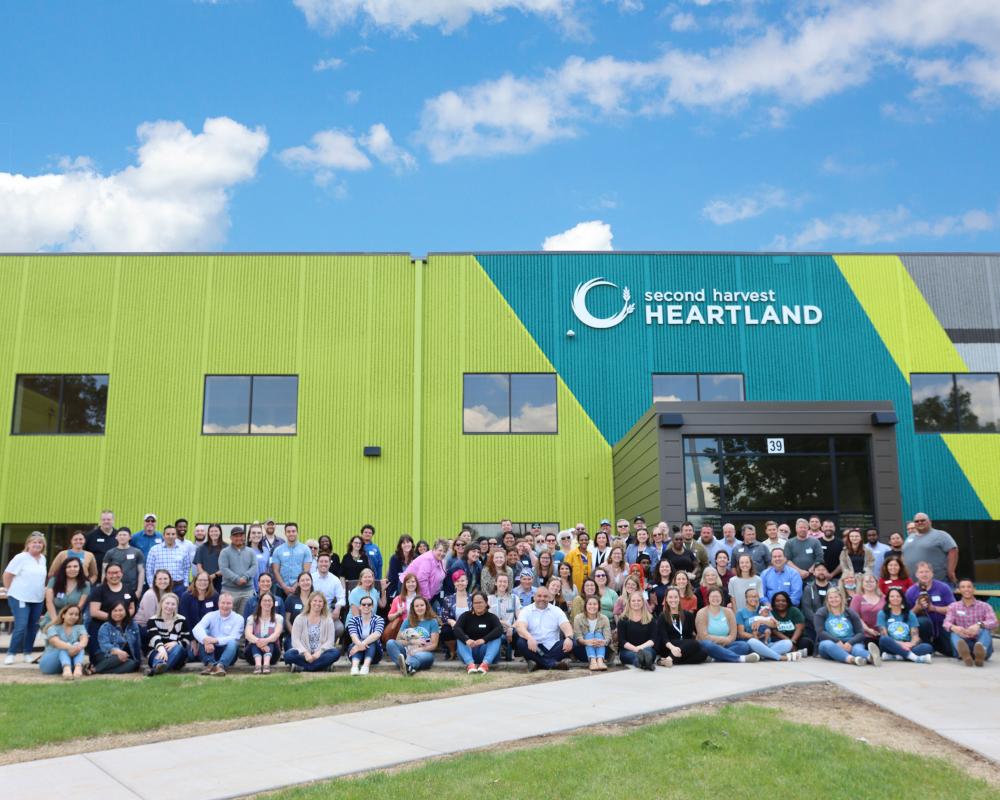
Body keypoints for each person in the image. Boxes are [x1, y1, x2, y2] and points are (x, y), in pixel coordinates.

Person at [815, 587, 879, 666]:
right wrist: (837, 641)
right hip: (832, 644)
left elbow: (860, 633)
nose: (833, 600)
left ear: (841, 598)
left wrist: (850, 643)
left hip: (851, 642)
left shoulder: (850, 612)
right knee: (827, 644)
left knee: (857, 649)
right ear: (827, 600)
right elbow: (820, 632)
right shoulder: (822, 612)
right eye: (831, 598)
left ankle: (870, 657)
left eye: (836, 597)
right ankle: (852, 659)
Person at [515, 585, 574, 671]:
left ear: (549, 598)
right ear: (534, 597)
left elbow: (566, 626)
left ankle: (538, 662)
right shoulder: (526, 610)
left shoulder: (556, 610)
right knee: (521, 642)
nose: (542, 598)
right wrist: (530, 638)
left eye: (545, 596)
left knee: (573, 642)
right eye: (539, 596)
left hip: (553, 647)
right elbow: (520, 627)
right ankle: (552, 664)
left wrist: (568, 638)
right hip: (535, 647)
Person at [735, 589, 804, 661]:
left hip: (766, 643)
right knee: (752, 642)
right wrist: (757, 636)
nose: (754, 599)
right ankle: (779, 657)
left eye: (756, 597)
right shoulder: (741, 612)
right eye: (751, 597)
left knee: (788, 643)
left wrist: (761, 621)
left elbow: (776, 625)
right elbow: (741, 633)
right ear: (746, 598)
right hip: (753, 644)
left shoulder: (763, 610)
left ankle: (762, 655)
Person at [695, 588, 759, 663]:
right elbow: (704, 637)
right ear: (708, 598)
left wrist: (726, 642)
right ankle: (739, 658)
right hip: (709, 645)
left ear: (722, 598)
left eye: (718, 596)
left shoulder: (728, 612)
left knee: (744, 645)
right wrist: (725, 640)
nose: (715, 599)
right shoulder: (702, 613)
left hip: (726, 644)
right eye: (712, 596)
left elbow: (733, 635)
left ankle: (715, 658)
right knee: (707, 644)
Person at [905, 562, 955, 656]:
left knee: (950, 651)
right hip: (921, 629)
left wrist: (933, 608)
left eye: (927, 571)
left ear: (932, 573)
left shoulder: (943, 587)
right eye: (921, 572)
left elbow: (953, 609)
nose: (924, 574)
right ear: (916, 574)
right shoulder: (910, 591)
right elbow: (905, 616)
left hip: (942, 625)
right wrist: (917, 608)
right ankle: (926, 644)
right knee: (923, 621)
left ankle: (936, 645)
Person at [944, 579, 997, 666]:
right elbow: (946, 623)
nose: (966, 589)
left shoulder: (985, 606)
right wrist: (954, 627)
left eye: (969, 587)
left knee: (985, 630)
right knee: (954, 632)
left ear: (974, 589)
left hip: (980, 640)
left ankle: (980, 652)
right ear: (959, 590)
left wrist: (979, 625)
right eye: (963, 587)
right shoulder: (953, 606)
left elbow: (994, 621)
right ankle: (965, 654)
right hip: (963, 640)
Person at [285, 591, 342, 673]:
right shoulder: (300, 618)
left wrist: (318, 653)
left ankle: (303, 667)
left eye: (320, 601)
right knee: (288, 656)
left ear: (323, 604)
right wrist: (306, 653)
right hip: (303, 654)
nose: (317, 603)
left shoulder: (328, 620)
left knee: (335, 653)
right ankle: (322, 666)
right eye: (315, 601)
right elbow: (295, 640)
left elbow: (330, 641)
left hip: (320, 654)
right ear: (310, 602)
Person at [192, 593, 244, 676]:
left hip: (229, 653)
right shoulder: (210, 615)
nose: (225, 606)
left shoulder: (238, 618)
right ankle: (211, 664)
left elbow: (234, 636)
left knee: (233, 642)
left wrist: (215, 640)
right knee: (204, 631)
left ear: (232, 605)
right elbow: (196, 629)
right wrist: (206, 640)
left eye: (228, 603)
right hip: (211, 650)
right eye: (223, 603)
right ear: (218, 603)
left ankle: (220, 666)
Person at [388, 595, 441, 675]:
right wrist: (412, 642)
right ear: (413, 608)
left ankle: (407, 666)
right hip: (407, 650)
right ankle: (407, 666)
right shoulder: (407, 620)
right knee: (390, 643)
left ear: (426, 606)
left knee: (424, 657)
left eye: (422, 605)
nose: (419, 608)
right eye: (417, 606)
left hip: (423, 652)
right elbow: (398, 640)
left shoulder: (433, 622)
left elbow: (434, 644)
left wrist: (418, 650)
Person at [877, 587, 933, 664]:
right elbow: (884, 635)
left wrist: (911, 644)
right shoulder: (882, 614)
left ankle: (896, 657)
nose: (895, 598)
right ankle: (915, 658)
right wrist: (901, 644)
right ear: (888, 599)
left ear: (902, 598)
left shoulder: (910, 614)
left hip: (908, 646)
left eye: (898, 596)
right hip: (891, 645)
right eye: (892, 596)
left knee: (927, 647)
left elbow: (915, 635)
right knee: (883, 640)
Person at [655, 587, 707, 666]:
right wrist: (673, 648)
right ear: (666, 599)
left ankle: (667, 660)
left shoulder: (688, 615)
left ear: (679, 599)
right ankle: (670, 658)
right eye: (670, 597)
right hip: (668, 646)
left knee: (703, 654)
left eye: (676, 597)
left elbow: (690, 635)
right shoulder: (662, 616)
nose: (673, 600)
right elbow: (663, 638)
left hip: (684, 646)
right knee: (694, 643)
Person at [903, 513, 958, 585]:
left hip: (938, 582)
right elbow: (904, 554)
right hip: (914, 584)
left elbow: (953, 550)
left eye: (923, 520)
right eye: (917, 521)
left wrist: (950, 571)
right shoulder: (910, 537)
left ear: (930, 522)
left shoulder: (941, 535)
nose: (920, 522)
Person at [40, 556, 90, 632]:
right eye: (68, 567)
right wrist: (56, 621)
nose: (72, 569)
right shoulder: (54, 580)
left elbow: (80, 606)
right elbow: (49, 602)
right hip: (53, 617)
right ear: (64, 569)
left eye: (75, 566)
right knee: (54, 635)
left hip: (73, 619)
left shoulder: (85, 584)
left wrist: (67, 622)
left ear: (80, 568)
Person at [38, 605, 88, 678]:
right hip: (50, 663)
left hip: (69, 660)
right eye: (71, 614)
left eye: (76, 615)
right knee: (63, 647)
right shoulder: (53, 628)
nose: (74, 617)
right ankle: (66, 668)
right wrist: (70, 647)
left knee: (78, 644)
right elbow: (56, 642)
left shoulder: (80, 627)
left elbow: (84, 640)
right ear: (63, 615)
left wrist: (78, 647)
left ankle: (78, 668)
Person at [146, 592, 190, 675]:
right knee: (158, 654)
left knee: (178, 648)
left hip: (177, 654)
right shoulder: (152, 620)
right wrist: (162, 650)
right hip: (157, 651)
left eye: (173, 604)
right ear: (161, 604)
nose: (169, 606)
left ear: (176, 606)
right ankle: (158, 667)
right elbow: (155, 638)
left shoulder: (182, 620)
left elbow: (186, 640)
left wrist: (176, 643)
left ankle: (156, 669)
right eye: (167, 603)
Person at [94, 601, 142, 674]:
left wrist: (139, 660)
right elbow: (104, 646)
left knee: (132, 664)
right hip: (106, 655)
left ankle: (99, 670)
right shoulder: (105, 627)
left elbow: (137, 644)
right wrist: (118, 652)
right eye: (115, 611)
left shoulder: (133, 625)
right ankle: (95, 669)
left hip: (125, 658)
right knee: (118, 658)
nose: (117, 613)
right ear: (110, 612)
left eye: (120, 610)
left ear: (126, 611)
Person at [219, 526, 257, 614]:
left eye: (241, 535)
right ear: (231, 538)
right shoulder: (225, 552)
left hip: (247, 592)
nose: (239, 538)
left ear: (244, 537)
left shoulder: (251, 552)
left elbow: (254, 566)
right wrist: (237, 579)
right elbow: (224, 568)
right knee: (228, 617)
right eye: (236, 536)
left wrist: (245, 577)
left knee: (244, 618)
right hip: (229, 592)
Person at [244, 591, 283, 674]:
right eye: (265, 601)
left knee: (269, 637)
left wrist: (265, 641)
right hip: (252, 655)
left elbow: (276, 635)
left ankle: (266, 664)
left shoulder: (278, 618)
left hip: (273, 654)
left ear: (273, 603)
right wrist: (260, 642)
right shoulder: (252, 618)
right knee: (256, 637)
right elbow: (248, 635)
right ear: (260, 603)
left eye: (269, 601)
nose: (267, 603)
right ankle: (258, 665)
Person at [145, 525, 192, 593]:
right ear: (163, 536)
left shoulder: (183, 550)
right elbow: (149, 570)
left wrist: (185, 585)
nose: (170, 536)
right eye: (168, 534)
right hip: (160, 586)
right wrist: (151, 586)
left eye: (173, 534)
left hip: (178, 587)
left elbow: (186, 569)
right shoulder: (154, 550)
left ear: (176, 536)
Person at [271, 523, 312, 598]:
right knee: (280, 609)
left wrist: (296, 586)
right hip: (281, 589)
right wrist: (284, 586)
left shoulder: (305, 549)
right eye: (288, 531)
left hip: (300, 588)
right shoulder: (278, 550)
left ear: (297, 532)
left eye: (293, 531)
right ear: (285, 533)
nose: (291, 533)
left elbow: (306, 571)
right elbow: (275, 571)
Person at [346, 594, 384, 674]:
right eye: (363, 604)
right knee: (356, 642)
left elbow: (377, 634)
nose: (366, 606)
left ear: (372, 606)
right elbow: (353, 636)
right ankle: (354, 667)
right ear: (360, 606)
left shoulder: (379, 619)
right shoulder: (353, 620)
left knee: (372, 641)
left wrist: (361, 644)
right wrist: (360, 644)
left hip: (374, 655)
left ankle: (365, 667)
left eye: (369, 604)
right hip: (354, 653)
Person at [403, 538, 448, 604]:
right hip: (411, 590)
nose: (442, 553)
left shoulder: (440, 560)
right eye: (440, 550)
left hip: (433, 594)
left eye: (444, 551)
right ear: (434, 549)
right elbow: (422, 580)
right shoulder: (427, 559)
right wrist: (426, 598)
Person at [103, 527, 145, 596]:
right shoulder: (110, 553)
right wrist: (104, 589)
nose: (122, 537)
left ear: (130, 537)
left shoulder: (137, 552)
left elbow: (141, 571)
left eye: (124, 535)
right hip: (113, 588)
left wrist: (139, 590)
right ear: (116, 537)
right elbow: (104, 573)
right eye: (120, 535)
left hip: (132, 589)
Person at [441, 570, 473, 660]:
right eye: (457, 581)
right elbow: (444, 617)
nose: (460, 583)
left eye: (462, 580)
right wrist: (451, 621)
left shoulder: (473, 598)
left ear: (467, 582)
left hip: (470, 627)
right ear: (454, 583)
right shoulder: (448, 599)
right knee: (445, 630)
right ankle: (452, 651)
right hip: (454, 627)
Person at [488, 573, 520, 661]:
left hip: (511, 631)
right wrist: (504, 623)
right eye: (500, 581)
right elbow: (488, 618)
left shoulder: (514, 598)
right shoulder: (489, 599)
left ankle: (512, 651)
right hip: (494, 630)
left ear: (508, 583)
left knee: (519, 631)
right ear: (495, 583)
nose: (502, 584)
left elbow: (520, 618)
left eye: (505, 582)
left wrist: (511, 627)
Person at [574, 595, 612, 671]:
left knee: (598, 634)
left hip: (602, 649)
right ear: (585, 606)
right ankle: (593, 661)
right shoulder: (578, 618)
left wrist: (604, 642)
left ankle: (600, 661)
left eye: (595, 604)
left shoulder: (604, 618)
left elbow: (608, 637)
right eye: (590, 604)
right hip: (583, 650)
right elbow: (578, 638)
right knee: (589, 634)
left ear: (599, 606)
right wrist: (587, 642)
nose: (592, 606)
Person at [770, 591, 813, 656]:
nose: (780, 603)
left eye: (783, 601)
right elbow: (774, 631)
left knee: (805, 643)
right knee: (773, 641)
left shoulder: (794, 610)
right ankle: (795, 652)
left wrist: (792, 641)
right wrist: (789, 642)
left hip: (796, 638)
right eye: (777, 601)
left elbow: (799, 629)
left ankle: (791, 651)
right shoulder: (771, 613)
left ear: (787, 602)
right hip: (781, 638)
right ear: (774, 602)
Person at [311, 554, 346, 632]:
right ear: (317, 563)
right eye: (321, 561)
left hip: (328, 611)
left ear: (330, 564)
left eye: (326, 561)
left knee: (339, 628)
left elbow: (341, 598)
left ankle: (329, 643)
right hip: (311, 610)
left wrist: (338, 608)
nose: (324, 564)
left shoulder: (335, 580)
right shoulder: (311, 578)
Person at [178, 571, 218, 635]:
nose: (202, 582)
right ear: (195, 582)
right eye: (200, 580)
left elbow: (216, 617)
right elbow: (185, 619)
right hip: (190, 632)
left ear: (209, 582)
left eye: (205, 580)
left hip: (209, 632)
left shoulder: (214, 596)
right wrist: (192, 639)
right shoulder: (186, 596)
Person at [849, 573, 885, 643]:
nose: (869, 584)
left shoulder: (884, 598)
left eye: (871, 581)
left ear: (876, 583)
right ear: (862, 583)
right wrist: (868, 630)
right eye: (866, 581)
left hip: (883, 633)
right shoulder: (857, 598)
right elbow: (856, 617)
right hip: (864, 634)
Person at [193, 524, 225, 592]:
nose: (214, 533)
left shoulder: (226, 548)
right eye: (211, 531)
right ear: (208, 533)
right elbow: (199, 566)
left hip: (222, 582)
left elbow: (227, 566)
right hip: (205, 583)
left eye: (216, 531)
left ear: (220, 532)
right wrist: (206, 577)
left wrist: (214, 575)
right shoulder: (201, 548)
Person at [84, 510, 118, 575]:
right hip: (96, 576)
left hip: (115, 575)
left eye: (108, 519)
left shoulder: (119, 535)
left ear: (113, 520)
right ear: (100, 521)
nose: (106, 522)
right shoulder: (90, 536)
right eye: (103, 519)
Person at [285, 572, 316, 636]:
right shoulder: (291, 598)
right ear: (298, 583)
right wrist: (295, 635)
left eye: (307, 580)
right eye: (302, 580)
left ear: (312, 582)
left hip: (313, 635)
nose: (305, 582)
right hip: (294, 634)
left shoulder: (316, 599)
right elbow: (287, 620)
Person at [247, 523, 271, 590]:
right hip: (248, 589)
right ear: (249, 535)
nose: (256, 535)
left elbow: (267, 570)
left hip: (263, 588)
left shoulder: (266, 551)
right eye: (253, 533)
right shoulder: (244, 551)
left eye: (259, 533)